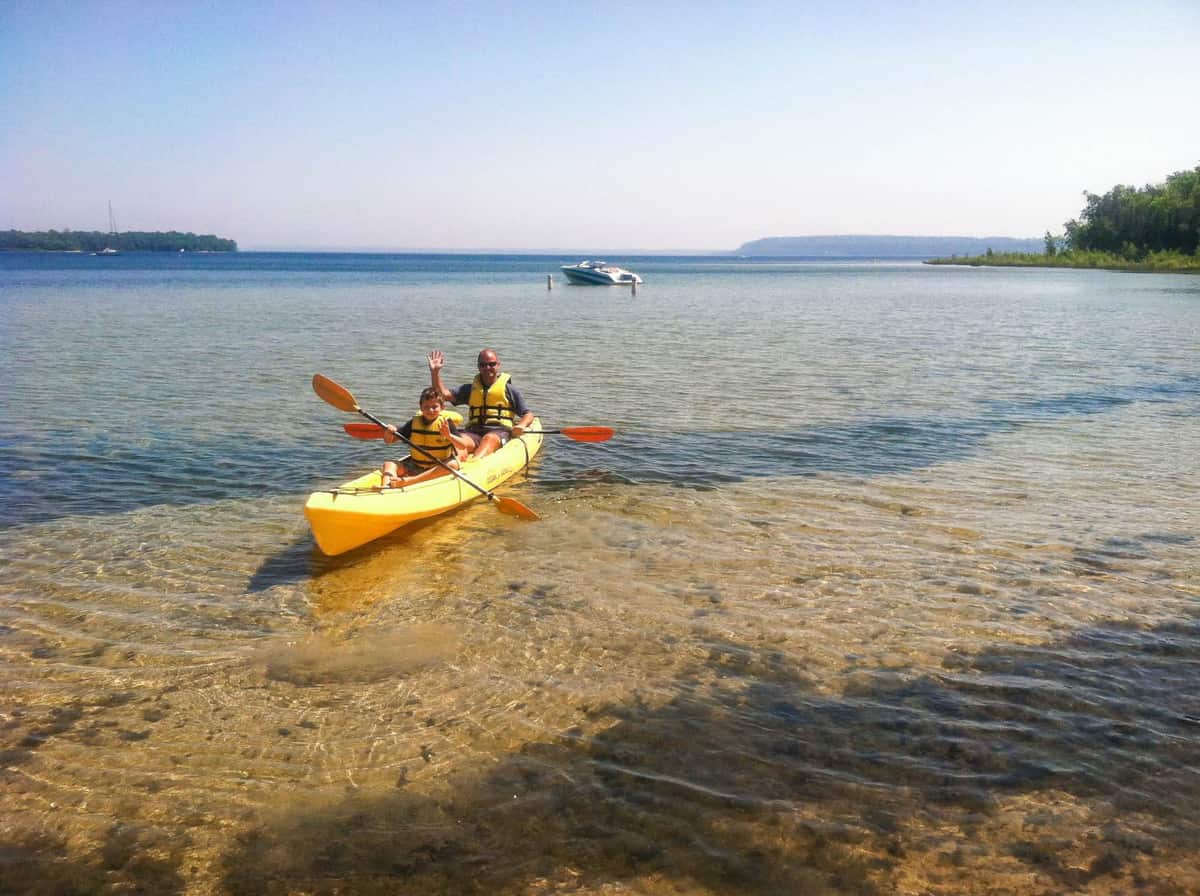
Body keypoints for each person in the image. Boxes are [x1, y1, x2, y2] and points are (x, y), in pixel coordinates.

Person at [428, 348, 534, 459]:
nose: (487, 368)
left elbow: (527, 414)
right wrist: (435, 373)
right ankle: (451, 463)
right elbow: (443, 395)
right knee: (459, 441)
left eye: (491, 364)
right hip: (473, 432)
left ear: (498, 365)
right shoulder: (470, 389)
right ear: (478, 367)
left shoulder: (509, 390)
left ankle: (475, 463)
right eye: (483, 365)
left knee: (489, 439)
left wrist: (521, 425)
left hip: (499, 432)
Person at [380, 387, 474, 488]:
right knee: (389, 464)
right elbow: (389, 441)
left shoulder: (446, 423)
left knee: (452, 465)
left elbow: (462, 446)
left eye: (434, 407)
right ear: (421, 408)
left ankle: (410, 481)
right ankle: (386, 486)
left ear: (442, 407)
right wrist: (388, 432)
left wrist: (449, 436)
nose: (430, 410)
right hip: (416, 465)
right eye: (426, 407)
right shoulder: (414, 423)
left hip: (437, 467)